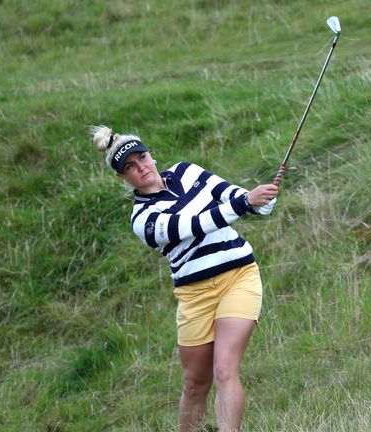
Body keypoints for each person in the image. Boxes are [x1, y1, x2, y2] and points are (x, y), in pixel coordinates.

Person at [90, 125, 279, 432]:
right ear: (122, 178)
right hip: (195, 295)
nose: (141, 167)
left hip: (239, 276)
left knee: (224, 369)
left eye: (143, 158)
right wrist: (245, 204)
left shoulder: (187, 172)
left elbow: (232, 195)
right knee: (195, 383)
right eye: (130, 167)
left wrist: (260, 203)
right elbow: (193, 224)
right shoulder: (143, 220)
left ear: (151, 155)